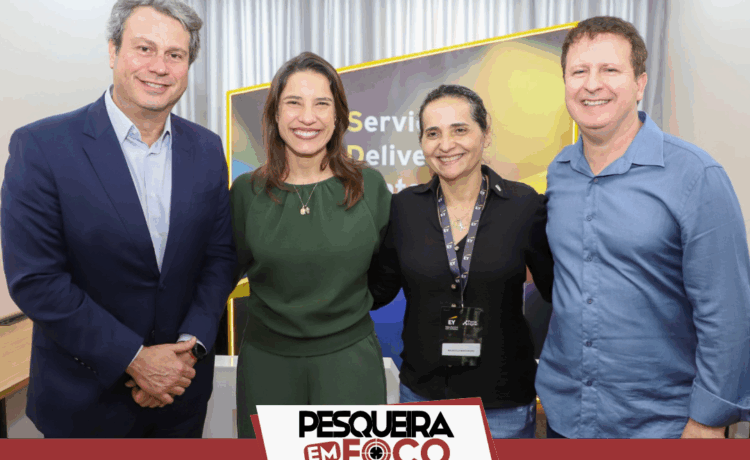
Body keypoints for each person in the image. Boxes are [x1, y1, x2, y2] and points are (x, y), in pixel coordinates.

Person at [1, 0, 236, 438]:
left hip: (181, 398)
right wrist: (136, 360)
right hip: (83, 406)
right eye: (144, 48)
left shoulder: (207, 150)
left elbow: (220, 258)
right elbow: (36, 279)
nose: (159, 67)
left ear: (188, 65)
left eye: (175, 54)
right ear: (113, 51)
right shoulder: (42, 148)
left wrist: (188, 349)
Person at [536, 16, 750, 438]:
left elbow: (727, 313)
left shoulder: (696, 175)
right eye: (579, 71)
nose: (592, 84)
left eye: (610, 70)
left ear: (639, 84)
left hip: (663, 425)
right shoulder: (559, 172)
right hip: (566, 415)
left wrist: (707, 420)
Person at [369, 84, 554, 438]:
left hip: (502, 406)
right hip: (422, 400)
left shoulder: (523, 205)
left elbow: (557, 290)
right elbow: (379, 289)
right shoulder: (404, 208)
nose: (446, 144)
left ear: (485, 133)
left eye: (459, 129)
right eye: (433, 133)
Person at [230, 51, 392, 439]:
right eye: (294, 103)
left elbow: (387, 274)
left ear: (338, 116)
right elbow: (221, 273)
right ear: (275, 114)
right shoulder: (246, 192)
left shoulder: (369, 187)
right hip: (267, 366)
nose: (308, 117)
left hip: (349, 363)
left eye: (321, 104)